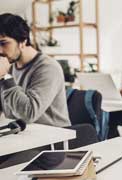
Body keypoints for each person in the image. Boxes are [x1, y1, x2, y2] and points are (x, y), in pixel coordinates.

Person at [0, 13, 70, 168]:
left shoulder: (47, 67)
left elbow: (29, 113)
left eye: (3, 43)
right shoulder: (10, 66)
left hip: (50, 144)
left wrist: (5, 77)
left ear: (23, 41)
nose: (0, 50)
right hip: (22, 138)